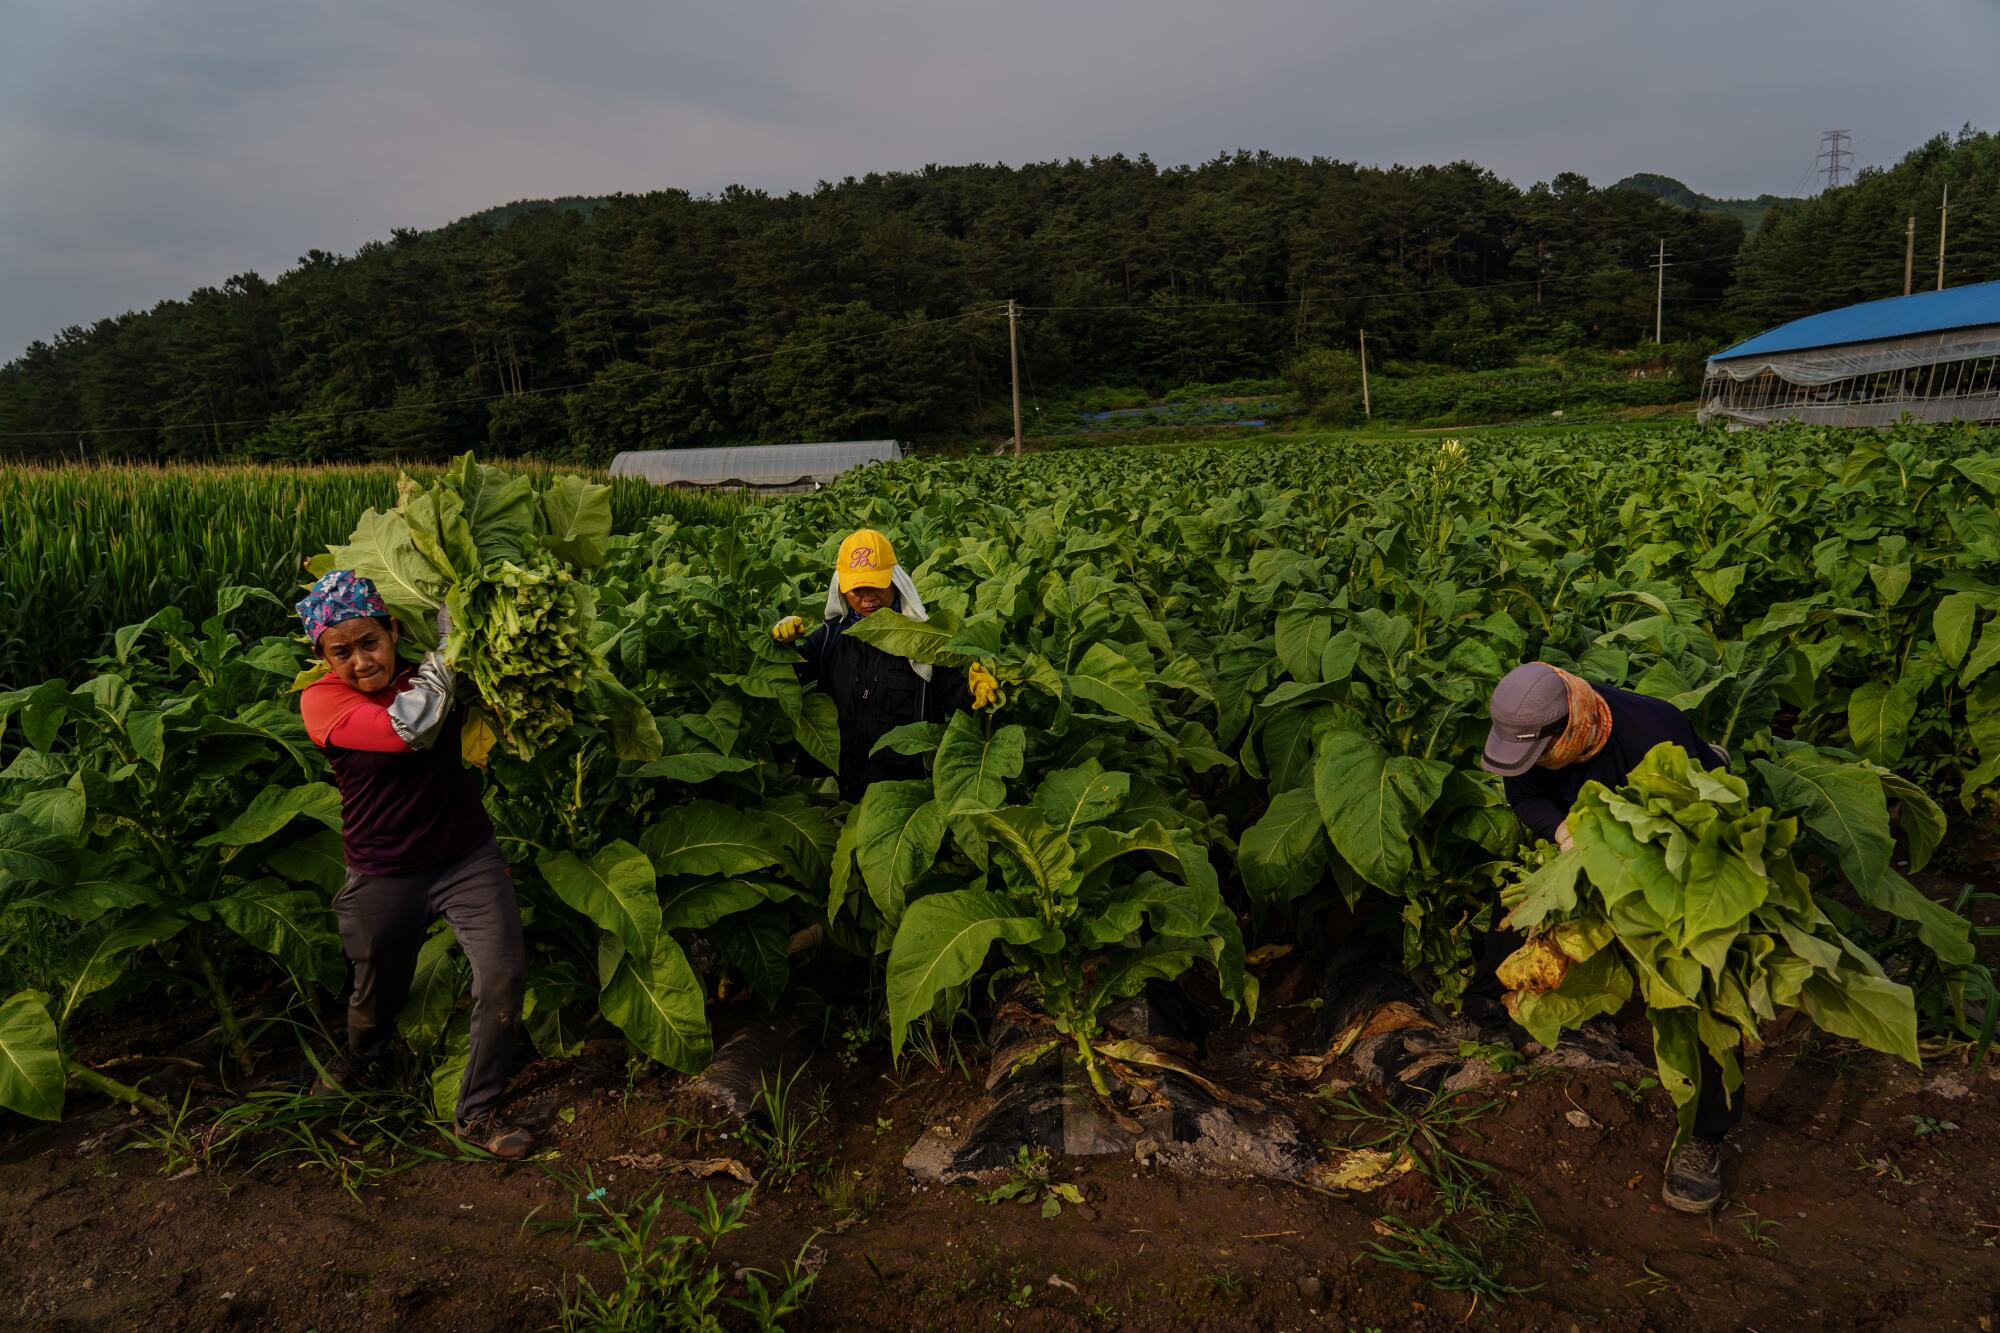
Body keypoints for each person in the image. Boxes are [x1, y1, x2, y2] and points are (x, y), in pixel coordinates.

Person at [1480, 660, 1736, 1215]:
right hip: (1584, 852)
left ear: (1569, 730)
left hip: (1670, 860)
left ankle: (1705, 1135)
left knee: (1694, 988)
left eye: (1536, 752)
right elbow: (1523, 796)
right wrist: (1562, 828)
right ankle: (1498, 1027)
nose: (1526, 762)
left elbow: (1694, 823)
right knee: (1510, 921)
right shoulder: (1529, 739)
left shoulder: (1651, 731)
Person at [295, 570, 533, 1160]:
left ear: (393, 630)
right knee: (375, 995)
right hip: (383, 873)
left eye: (369, 642)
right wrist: (451, 645)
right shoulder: (323, 700)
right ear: (322, 657)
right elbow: (408, 729)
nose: (360, 661)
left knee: (502, 976)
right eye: (341, 652)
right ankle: (362, 1058)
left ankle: (477, 1111)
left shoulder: (427, 671)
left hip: (465, 857)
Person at [771, 529, 999, 802]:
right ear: (842, 588)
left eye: (877, 586)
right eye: (857, 590)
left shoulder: (922, 639)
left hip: (902, 791)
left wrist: (973, 691)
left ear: (894, 581)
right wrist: (782, 648)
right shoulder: (829, 639)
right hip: (840, 785)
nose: (868, 599)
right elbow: (790, 682)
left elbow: (949, 694)